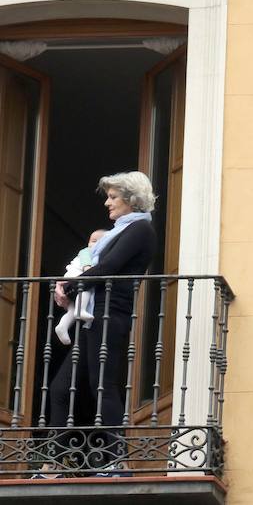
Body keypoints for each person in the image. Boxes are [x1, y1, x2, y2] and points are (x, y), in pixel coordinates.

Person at [36, 171, 157, 478]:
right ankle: (57, 463)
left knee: (102, 386)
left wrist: (73, 285)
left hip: (110, 313)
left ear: (131, 200)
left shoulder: (140, 228)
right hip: (96, 314)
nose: (107, 203)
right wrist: (71, 284)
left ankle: (116, 462)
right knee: (61, 389)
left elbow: (109, 267)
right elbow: (99, 266)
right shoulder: (120, 231)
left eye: (113, 197)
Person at [54, 229, 107, 346]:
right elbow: (87, 270)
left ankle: (62, 326)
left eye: (99, 242)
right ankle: (81, 310)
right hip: (74, 276)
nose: (94, 244)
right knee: (86, 288)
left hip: (74, 279)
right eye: (92, 241)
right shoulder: (86, 252)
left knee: (72, 308)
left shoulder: (97, 255)